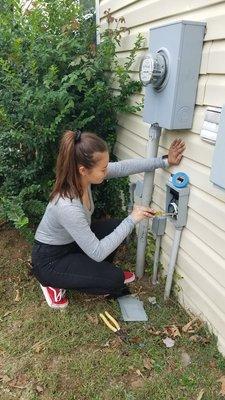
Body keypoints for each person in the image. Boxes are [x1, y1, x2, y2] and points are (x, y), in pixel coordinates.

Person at [31, 130, 185, 309]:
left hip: (72, 244)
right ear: (83, 170)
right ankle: (52, 283)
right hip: (50, 261)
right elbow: (97, 252)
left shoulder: (82, 178)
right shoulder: (67, 206)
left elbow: (122, 167)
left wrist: (164, 161)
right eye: (103, 168)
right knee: (115, 280)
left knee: (115, 226)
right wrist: (132, 219)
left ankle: (95, 273)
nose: (107, 170)